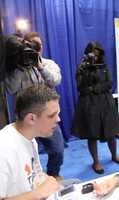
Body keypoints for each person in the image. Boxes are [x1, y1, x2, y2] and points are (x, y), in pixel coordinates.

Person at [72, 42, 119, 174]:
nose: (95, 56)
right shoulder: (82, 68)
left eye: (98, 53)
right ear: (87, 53)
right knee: (92, 134)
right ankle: (96, 162)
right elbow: (81, 88)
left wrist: (94, 88)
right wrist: (86, 71)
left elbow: (109, 83)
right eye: (93, 53)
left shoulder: (104, 66)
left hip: (106, 103)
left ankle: (114, 155)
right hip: (89, 105)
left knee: (111, 132)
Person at [0, 85, 60, 199]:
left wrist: (44, 179)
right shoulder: (3, 150)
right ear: (31, 119)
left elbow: (32, 176)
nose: (58, 119)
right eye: (52, 115)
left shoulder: (29, 137)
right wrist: (38, 194)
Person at [24, 32, 64, 180]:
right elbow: (10, 87)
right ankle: (30, 181)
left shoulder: (49, 64)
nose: (37, 48)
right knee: (25, 155)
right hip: (27, 117)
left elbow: (56, 80)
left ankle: (53, 174)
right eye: (32, 45)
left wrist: (40, 67)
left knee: (58, 150)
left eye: (39, 45)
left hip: (47, 116)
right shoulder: (19, 67)